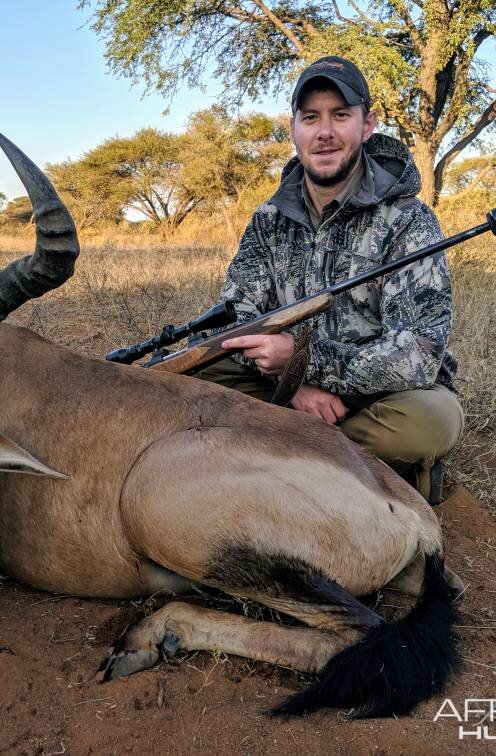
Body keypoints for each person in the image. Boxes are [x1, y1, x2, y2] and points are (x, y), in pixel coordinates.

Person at [194, 55, 463, 504]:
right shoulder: (268, 218)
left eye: (341, 115)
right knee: (192, 380)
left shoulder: (408, 219)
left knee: (430, 422)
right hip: (281, 384)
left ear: (367, 124)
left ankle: (266, 457)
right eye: (311, 117)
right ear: (293, 128)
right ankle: (336, 463)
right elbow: (237, 317)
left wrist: (305, 362)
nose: (325, 132)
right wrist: (296, 384)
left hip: (376, 396)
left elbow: (417, 353)